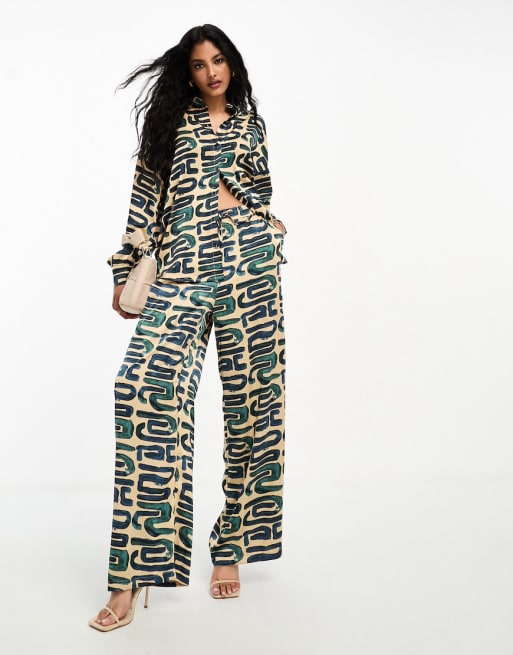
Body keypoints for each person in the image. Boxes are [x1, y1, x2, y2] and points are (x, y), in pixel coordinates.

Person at [89, 24, 287, 632]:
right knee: (142, 388)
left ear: (233, 65)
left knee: (254, 407)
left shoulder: (251, 125)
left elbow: (263, 193)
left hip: (249, 269)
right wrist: (125, 269)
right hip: (182, 272)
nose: (212, 72)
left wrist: (240, 202)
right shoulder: (168, 126)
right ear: (188, 73)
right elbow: (143, 201)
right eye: (200, 65)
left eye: (219, 60)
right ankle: (129, 575)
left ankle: (232, 544)